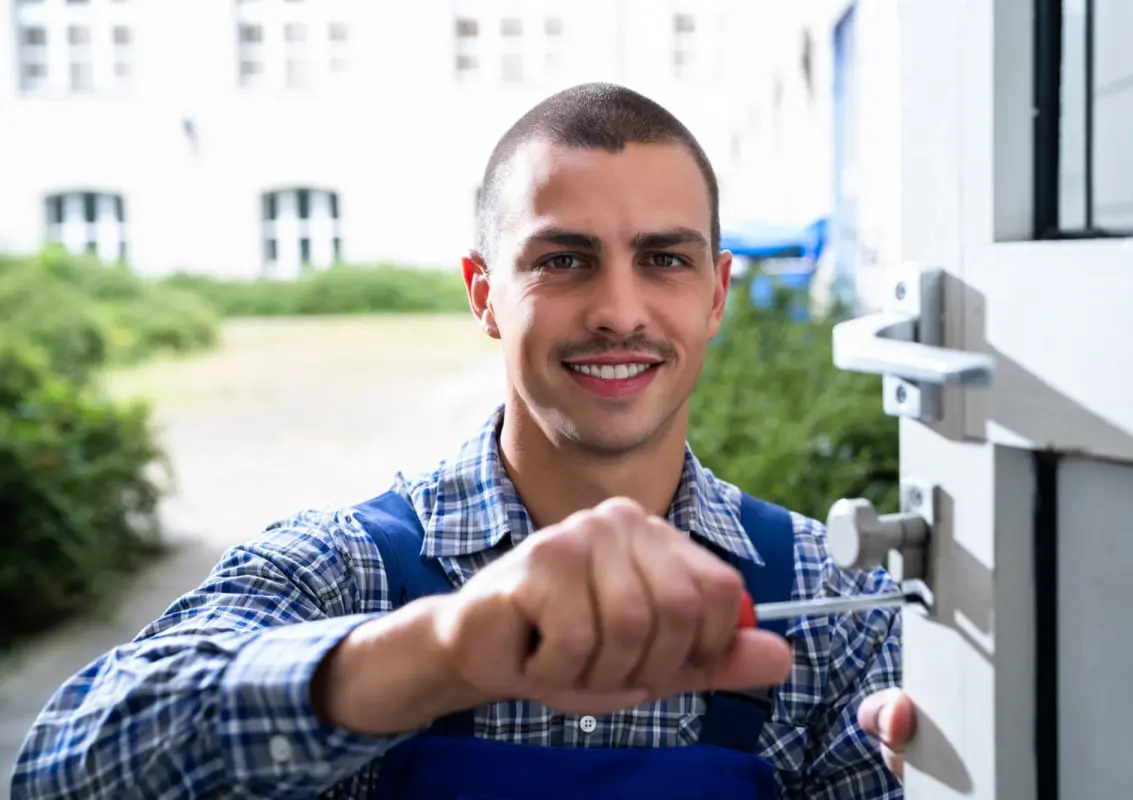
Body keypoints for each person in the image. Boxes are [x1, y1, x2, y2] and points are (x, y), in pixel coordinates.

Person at [10, 82, 914, 799]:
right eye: (563, 260)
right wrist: (429, 655)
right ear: (483, 292)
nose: (619, 311)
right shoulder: (341, 573)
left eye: (663, 260)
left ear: (717, 292)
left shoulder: (832, 608)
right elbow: (63, 765)